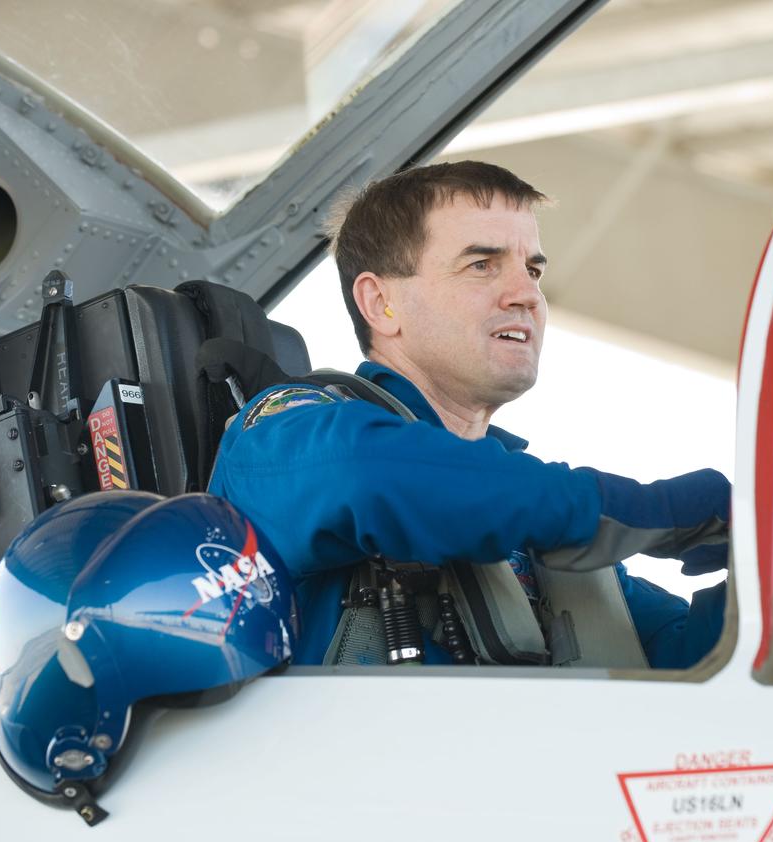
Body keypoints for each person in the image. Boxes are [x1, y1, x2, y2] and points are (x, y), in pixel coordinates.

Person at [208, 160, 729, 668]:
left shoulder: (535, 518)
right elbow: (367, 475)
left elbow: (694, 662)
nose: (527, 293)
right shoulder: (282, 431)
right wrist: (643, 507)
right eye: (482, 265)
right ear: (379, 302)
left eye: (532, 270)